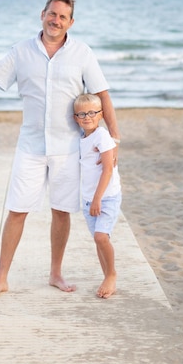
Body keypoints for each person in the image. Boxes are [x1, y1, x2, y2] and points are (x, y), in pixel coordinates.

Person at [0, 0, 120, 299]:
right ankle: (2, 278)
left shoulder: (82, 53)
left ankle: (56, 273)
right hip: (30, 147)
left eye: (62, 16)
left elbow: (103, 96)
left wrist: (113, 139)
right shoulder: (21, 52)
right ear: (42, 15)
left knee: (61, 212)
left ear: (70, 22)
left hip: (68, 148)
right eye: (52, 13)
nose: (56, 20)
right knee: (17, 211)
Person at [74, 92, 122, 299]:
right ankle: (106, 276)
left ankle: (111, 274)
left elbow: (108, 169)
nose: (87, 117)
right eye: (82, 114)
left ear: (101, 114)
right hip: (88, 199)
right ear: (76, 118)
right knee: (98, 239)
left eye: (92, 112)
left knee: (102, 236)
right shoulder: (81, 138)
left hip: (106, 197)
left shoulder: (102, 136)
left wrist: (97, 199)